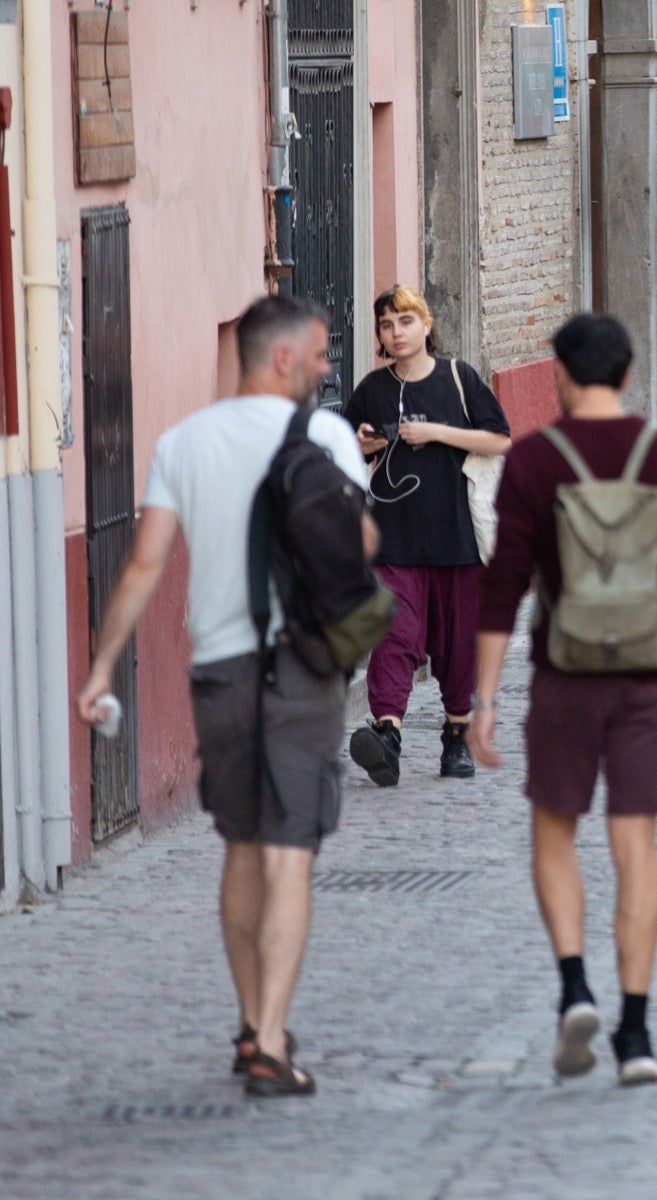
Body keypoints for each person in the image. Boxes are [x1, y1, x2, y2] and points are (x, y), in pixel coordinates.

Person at [76, 295, 377, 1098]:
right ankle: (272, 1042)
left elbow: (143, 565)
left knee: (243, 847)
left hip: (219, 673)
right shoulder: (326, 437)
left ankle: (250, 1022)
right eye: (317, 355)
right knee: (289, 855)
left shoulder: (184, 440)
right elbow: (365, 544)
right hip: (303, 668)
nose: (323, 369)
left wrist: (102, 666)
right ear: (280, 358)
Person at [468, 313, 657, 1086]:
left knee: (554, 836)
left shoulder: (534, 460)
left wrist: (484, 699)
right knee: (638, 850)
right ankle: (635, 1032)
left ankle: (572, 987)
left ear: (559, 374)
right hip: (650, 678)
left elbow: (504, 587)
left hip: (563, 676)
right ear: (627, 377)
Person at [341, 286, 512, 787]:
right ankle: (387, 733)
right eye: (387, 326)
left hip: (458, 540)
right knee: (394, 634)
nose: (397, 333)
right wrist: (363, 442)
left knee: (459, 646)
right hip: (395, 538)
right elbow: (344, 444)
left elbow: (499, 438)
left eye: (405, 322)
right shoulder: (373, 388)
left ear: (426, 325)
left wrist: (436, 432)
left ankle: (456, 736)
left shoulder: (459, 379)